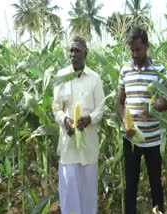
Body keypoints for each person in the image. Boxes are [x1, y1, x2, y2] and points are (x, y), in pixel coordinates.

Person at [118, 26, 167, 214]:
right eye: (131, 50)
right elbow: (120, 103)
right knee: (130, 185)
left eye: (138, 49)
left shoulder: (159, 69)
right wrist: (126, 123)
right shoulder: (125, 70)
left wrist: (153, 108)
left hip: (153, 139)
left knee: (156, 184)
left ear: (146, 46)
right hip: (131, 138)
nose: (134, 53)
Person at [53, 36, 105, 214]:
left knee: (88, 193)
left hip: (88, 145)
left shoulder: (95, 79)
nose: (73, 54)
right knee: (69, 193)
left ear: (86, 54)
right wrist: (65, 121)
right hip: (68, 147)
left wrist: (89, 119)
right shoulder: (61, 76)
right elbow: (56, 108)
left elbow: (100, 108)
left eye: (77, 50)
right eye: (71, 50)